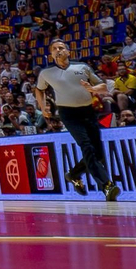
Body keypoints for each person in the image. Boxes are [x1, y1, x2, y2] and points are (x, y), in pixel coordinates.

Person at [35, 39, 120, 202]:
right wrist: (43, 106)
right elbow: (39, 89)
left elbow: (102, 86)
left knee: (98, 154)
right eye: (54, 49)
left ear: (68, 51)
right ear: (50, 54)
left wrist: (92, 89)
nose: (58, 50)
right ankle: (107, 186)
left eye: (61, 47)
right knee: (86, 146)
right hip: (68, 114)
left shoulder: (82, 67)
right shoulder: (47, 73)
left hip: (87, 111)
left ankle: (73, 174)